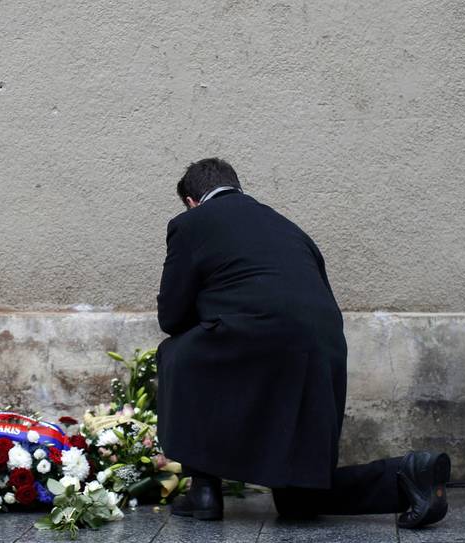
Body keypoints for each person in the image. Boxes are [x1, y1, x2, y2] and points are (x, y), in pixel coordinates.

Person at [155, 158, 450, 529]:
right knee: (297, 498)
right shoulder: (290, 229)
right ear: (237, 187)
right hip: (321, 354)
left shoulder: (190, 224)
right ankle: (407, 477)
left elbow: (172, 317)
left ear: (191, 200)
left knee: (175, 353)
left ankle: (204, 490)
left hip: (254, 343)